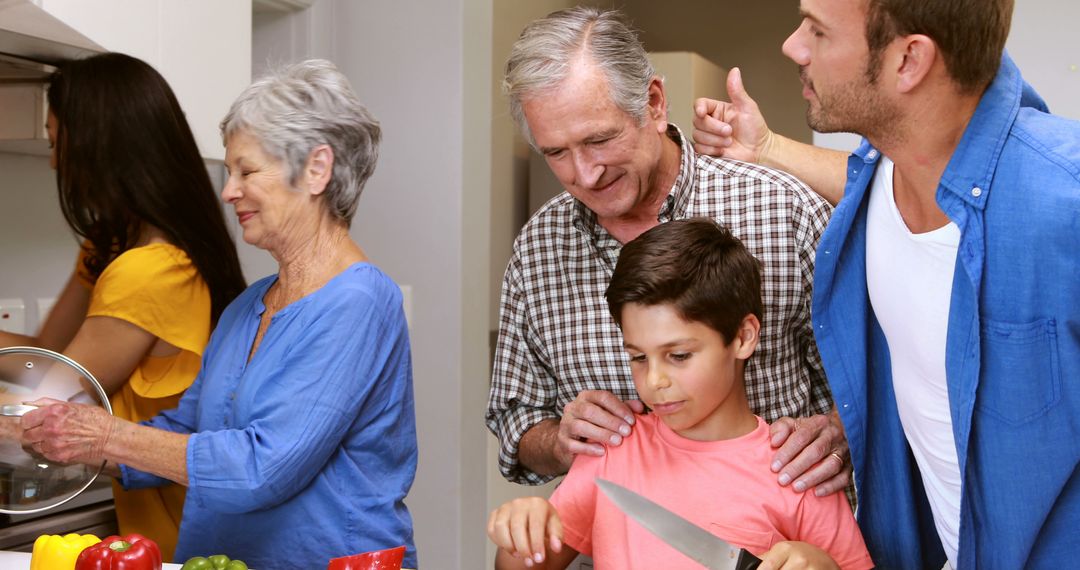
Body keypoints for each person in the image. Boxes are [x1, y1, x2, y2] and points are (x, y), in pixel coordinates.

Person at [691, 0, 1080, 567]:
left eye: (818, 31)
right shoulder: (888, 173)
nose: (793, 46)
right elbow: (862, 180)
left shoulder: (1065, 206)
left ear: (909, 61)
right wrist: (766, 149)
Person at [19, 59, 419, 570]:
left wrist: (106, 435)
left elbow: (261, 467)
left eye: (247, 171)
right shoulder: (246, 308)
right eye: (230, 172)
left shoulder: (358, 303)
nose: (229, 191)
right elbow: (186, 435)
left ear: (317, 169)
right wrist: (77, 441)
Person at [486, 6, 849, 499]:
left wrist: (839, 432)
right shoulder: (537, 249)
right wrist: (558, 440)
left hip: (784, 538)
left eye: (600, 139)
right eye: (557, 153)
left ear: (654, 103)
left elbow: (877, 380)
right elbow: (516, 417)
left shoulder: (785, 211)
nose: (585, 174)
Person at [487, 218, 873, 570]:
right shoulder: (613, 453)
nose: (654, 380)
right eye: (638, 356)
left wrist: (822, 566)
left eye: (679, 355)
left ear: (743, 337)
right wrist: (521, 533)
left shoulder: (798, 472)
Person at [0, 52, 246, 560]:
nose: (52, 162)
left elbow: (54, 406)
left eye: (55, 142)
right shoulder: (116, 247)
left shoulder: (149, 271)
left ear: (96, 145)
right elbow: (50, 352)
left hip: (183, 533)